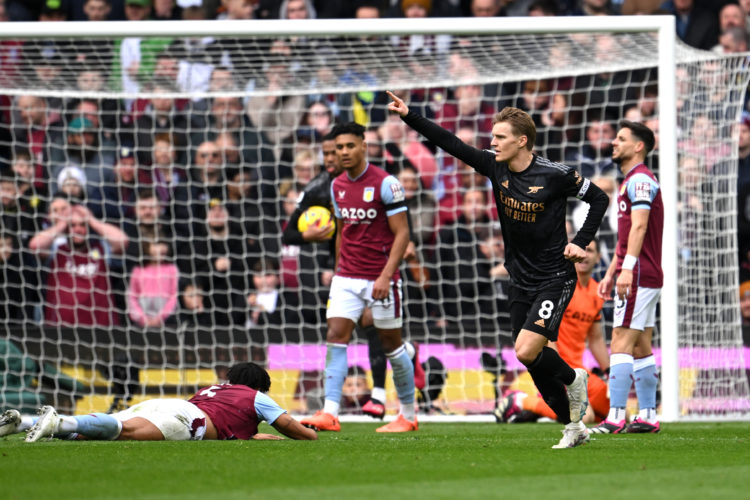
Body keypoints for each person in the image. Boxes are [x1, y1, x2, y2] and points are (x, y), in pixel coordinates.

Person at [388, 91, 610, 448]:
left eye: (500, 137)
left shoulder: (555, 175)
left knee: (525, 350)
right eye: (493, 137)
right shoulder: (495, 166)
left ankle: (574, 378)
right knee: (534, 365)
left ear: (522, 140)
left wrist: (581, 242)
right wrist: (410, 115)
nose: (493, 142)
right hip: (519, 278)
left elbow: (599, 197)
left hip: (554, 276)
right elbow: (451, 143)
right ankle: (574, 426)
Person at [299, 122, 416, 433]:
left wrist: (385, 277)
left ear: (364, 146)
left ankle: (408, 414)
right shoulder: (337, 186)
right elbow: (343, 233)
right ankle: (330, 412)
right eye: (339, 148)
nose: (344, 152)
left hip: (380, 278)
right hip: (346, 277)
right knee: (335, 337)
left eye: (350, 146)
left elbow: (402, 233)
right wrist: (339, 269)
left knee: (392, 345)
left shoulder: (386, 184)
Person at [1, 362, 317, 441]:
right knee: (123, 432)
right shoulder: (256, 396)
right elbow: (291, 427)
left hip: (169, 404)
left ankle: (25, 422)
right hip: (187, 419)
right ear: (259, 387)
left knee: (87, 434)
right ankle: (57, 420)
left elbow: (245, 434)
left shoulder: (214, 390)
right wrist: (310, 434)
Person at [591, 120, 662, 435]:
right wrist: (611, 272)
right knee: (640, 345)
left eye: (620, 139)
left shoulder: (641, 180)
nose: (613, 142)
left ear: (638, 146)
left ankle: (615, 417)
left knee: (619, 339)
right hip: (639, 272)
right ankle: (647, 414)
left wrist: (628, 270)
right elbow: (625, 238)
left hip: (640, 274)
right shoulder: (630, 181)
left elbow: (640, 227)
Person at [498, 239, 611, 424]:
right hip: (562, 368)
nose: (585, 255)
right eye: (582, 249)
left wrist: (610, 372)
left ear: (598, 257)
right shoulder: (560, 286)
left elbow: (596, 338)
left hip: (581, 371)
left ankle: (541, 410)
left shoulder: (595, 292)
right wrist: (555, 370)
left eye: (590, 251)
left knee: (616, 414)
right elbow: (545, 332)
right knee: (587, 416)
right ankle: (521, 401)